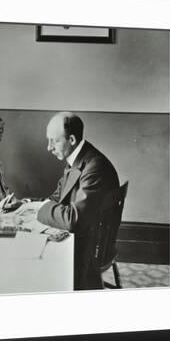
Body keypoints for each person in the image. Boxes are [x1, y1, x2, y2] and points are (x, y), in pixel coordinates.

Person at [37, 112, 119, 291]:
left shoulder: (94, 167)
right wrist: (32, 205)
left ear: (71, 139)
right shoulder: (80, 157)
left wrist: (39, 209)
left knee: (33, 257)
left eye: (54, 141)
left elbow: (74, 220)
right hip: (87, 236)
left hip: (88, 248)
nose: (48, 147)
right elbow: (58, 196)